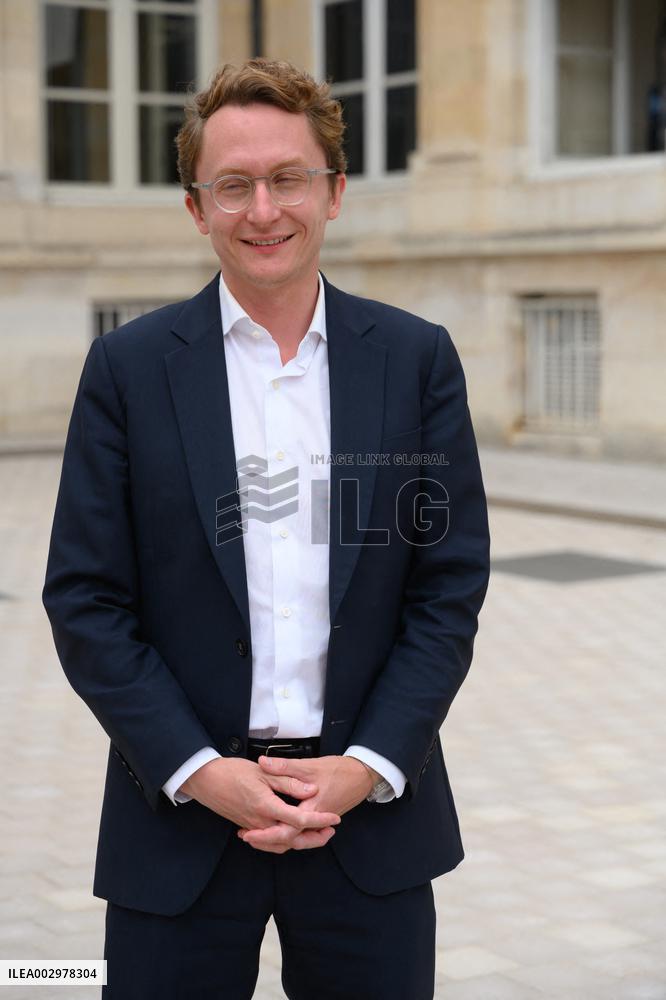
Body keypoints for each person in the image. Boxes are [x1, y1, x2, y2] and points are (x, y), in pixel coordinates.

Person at [43, 58, 490, 1000]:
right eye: (232, 185)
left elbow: (447, 586)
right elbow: (86, 599)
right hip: (180, 827)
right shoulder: (126, 370)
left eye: (287, 179)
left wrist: (365, 766)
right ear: (196, 207)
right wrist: (200, 769)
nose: (263, 210)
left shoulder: (415, 361)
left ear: (332, 192)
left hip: (370, 826)